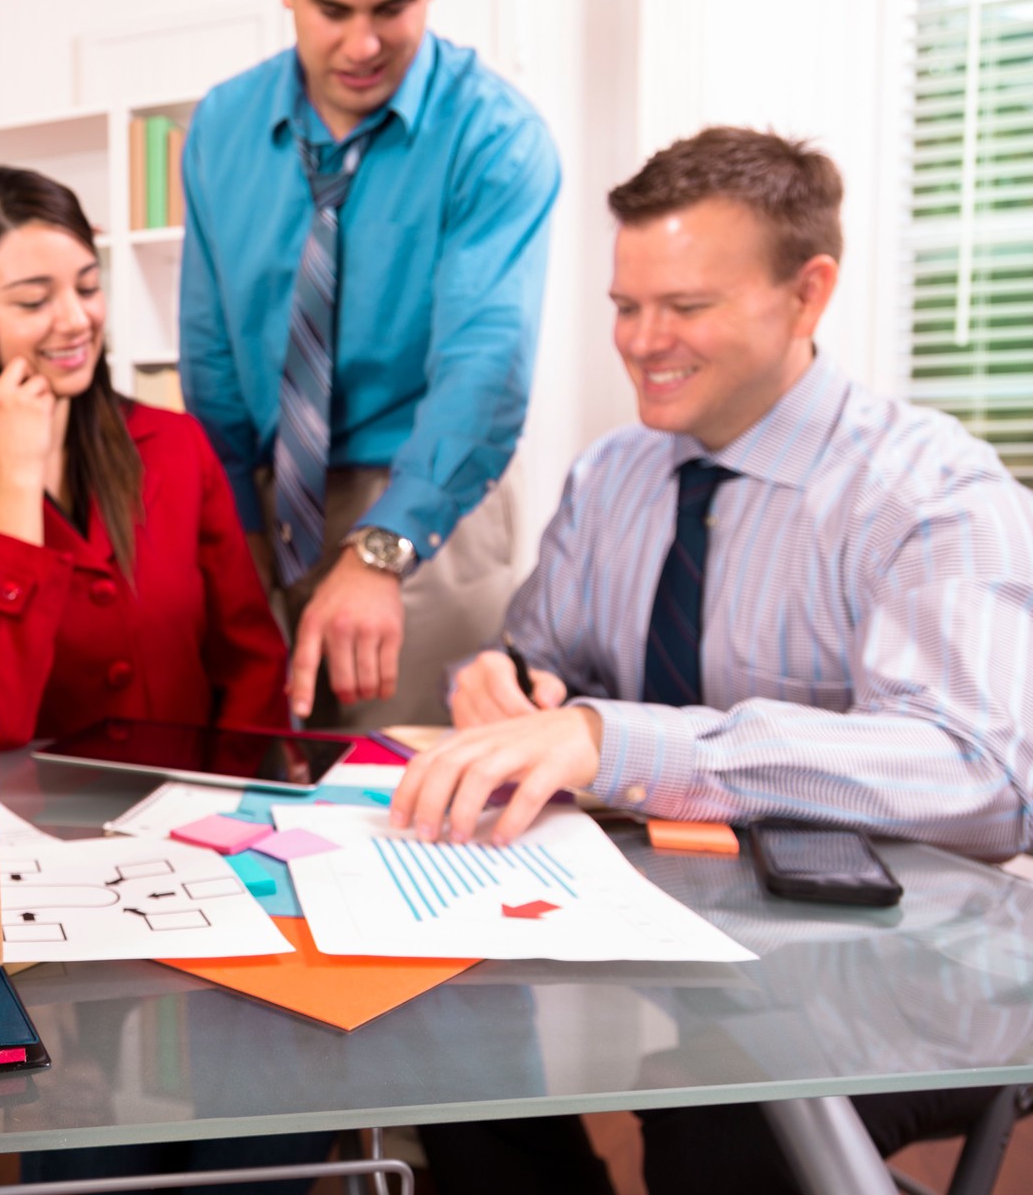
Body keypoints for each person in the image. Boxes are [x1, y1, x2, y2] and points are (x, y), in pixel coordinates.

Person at [396, 127, 1033, 1193]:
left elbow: (985, 771)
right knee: (431, 1030)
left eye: (685, 306)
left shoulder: (932, 490)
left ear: (808, 292)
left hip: (895, 965)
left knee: (719, 1119)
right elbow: (547, 660)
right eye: (624, 306)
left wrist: (616, 735)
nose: (643, 341)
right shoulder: (611, 474)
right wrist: (500, 680)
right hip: (661, 917)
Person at [179, 0, 559, 730]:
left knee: (403, 798)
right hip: (265, 498)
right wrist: (232, 533)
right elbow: (212, 354)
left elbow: (484, 370)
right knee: (255, 778)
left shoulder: (497, 138)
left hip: (426, 499)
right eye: (332, 11)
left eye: (391, 8)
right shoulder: (220, 128)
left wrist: (385, 548)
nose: (361, 45)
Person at [0, 165, 290, 751]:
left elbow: (252, 664)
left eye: (87, 288)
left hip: (184, 820)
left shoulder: (177, 446)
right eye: (34, 300)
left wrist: (224, 806)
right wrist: (15, 477)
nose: (76, 320)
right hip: (26, 835)